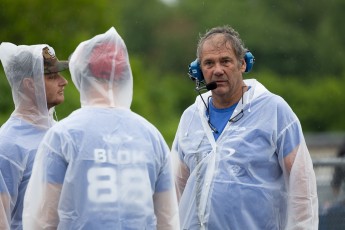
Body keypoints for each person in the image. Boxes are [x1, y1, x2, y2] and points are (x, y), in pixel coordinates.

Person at [22, 27, 180, 230]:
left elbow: (42, 219)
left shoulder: (63, 135)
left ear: (82, 74)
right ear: (124, 75)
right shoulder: (152, 136)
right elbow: (168, 220)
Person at [171, 25, 318, 229]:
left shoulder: (274, 110)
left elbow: (303, 185)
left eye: (225, 61)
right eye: (209, 63)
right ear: (199, 71)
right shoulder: (190, 117)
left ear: (242, 64)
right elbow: (175, 186)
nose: (218, 70)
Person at [0, 43, 68, 229]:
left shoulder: (60, 132)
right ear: (30, 84)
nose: (64, 81)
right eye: (53, 76)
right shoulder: (8, 144)